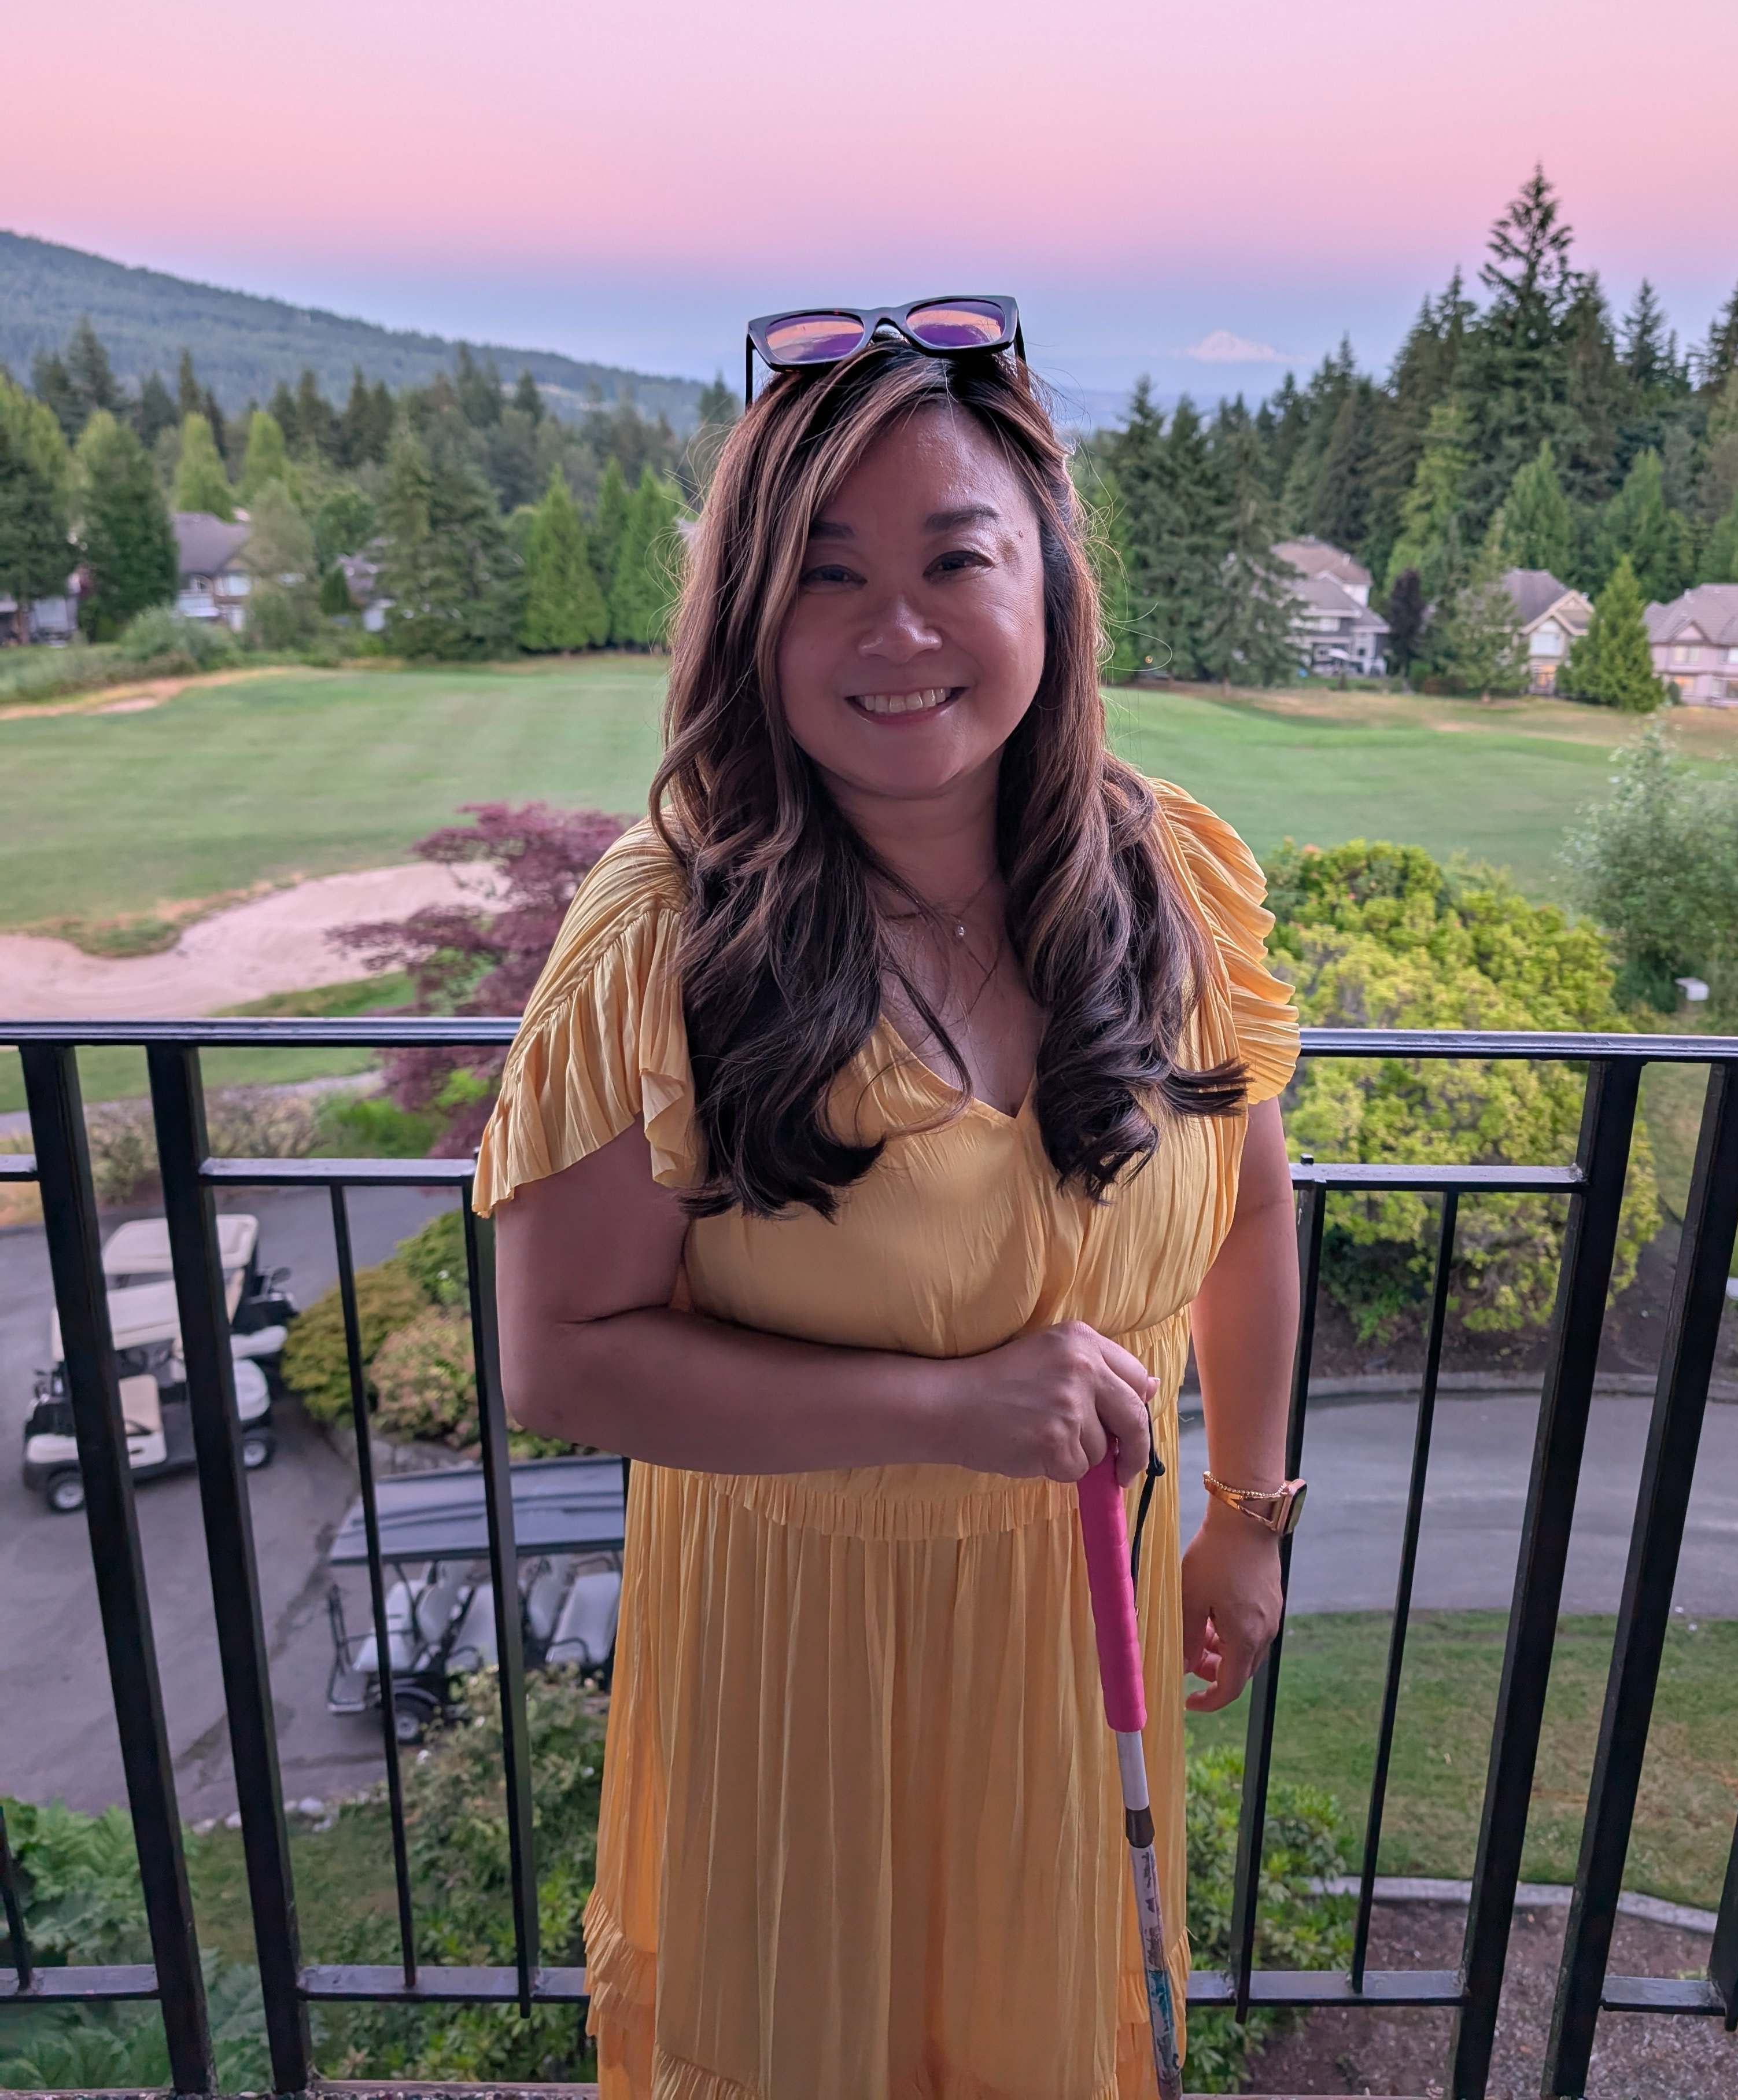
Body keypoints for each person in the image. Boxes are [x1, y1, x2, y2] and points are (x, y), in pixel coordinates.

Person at [476, 317, 1302, 2100]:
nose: (898, 626)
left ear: (1050, 585)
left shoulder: (1168, 877)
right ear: (746, 620)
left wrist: (1247, 1510)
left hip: (1079, 1633)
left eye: (955, 559)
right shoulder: (665, 936)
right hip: (800, 1672)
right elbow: (557, 1358)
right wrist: (951, 1409)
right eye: (824, 574)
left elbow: (1245, 1205)